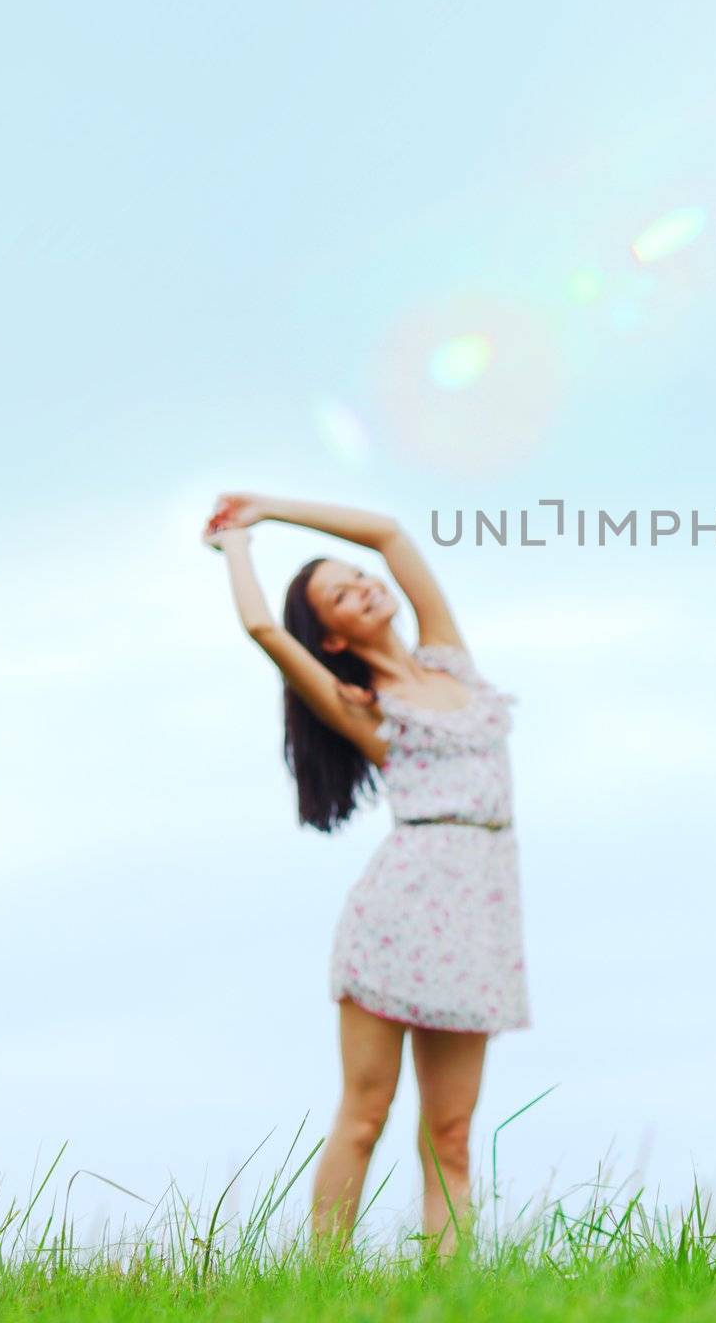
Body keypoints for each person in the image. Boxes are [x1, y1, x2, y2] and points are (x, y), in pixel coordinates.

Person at [200, 491, 530, 1256]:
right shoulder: (363, 706)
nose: (366, 588)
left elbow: (387, 533)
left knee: (450, 1131)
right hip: (402, 911)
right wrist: (237, 547)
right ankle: (322, 1282)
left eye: (359, 579)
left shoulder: (449, 659)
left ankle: (453, 1291)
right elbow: (263, 629)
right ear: (336, 639)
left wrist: (269, 508)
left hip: (481, 913)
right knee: (366, 1110)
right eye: (342, 595)